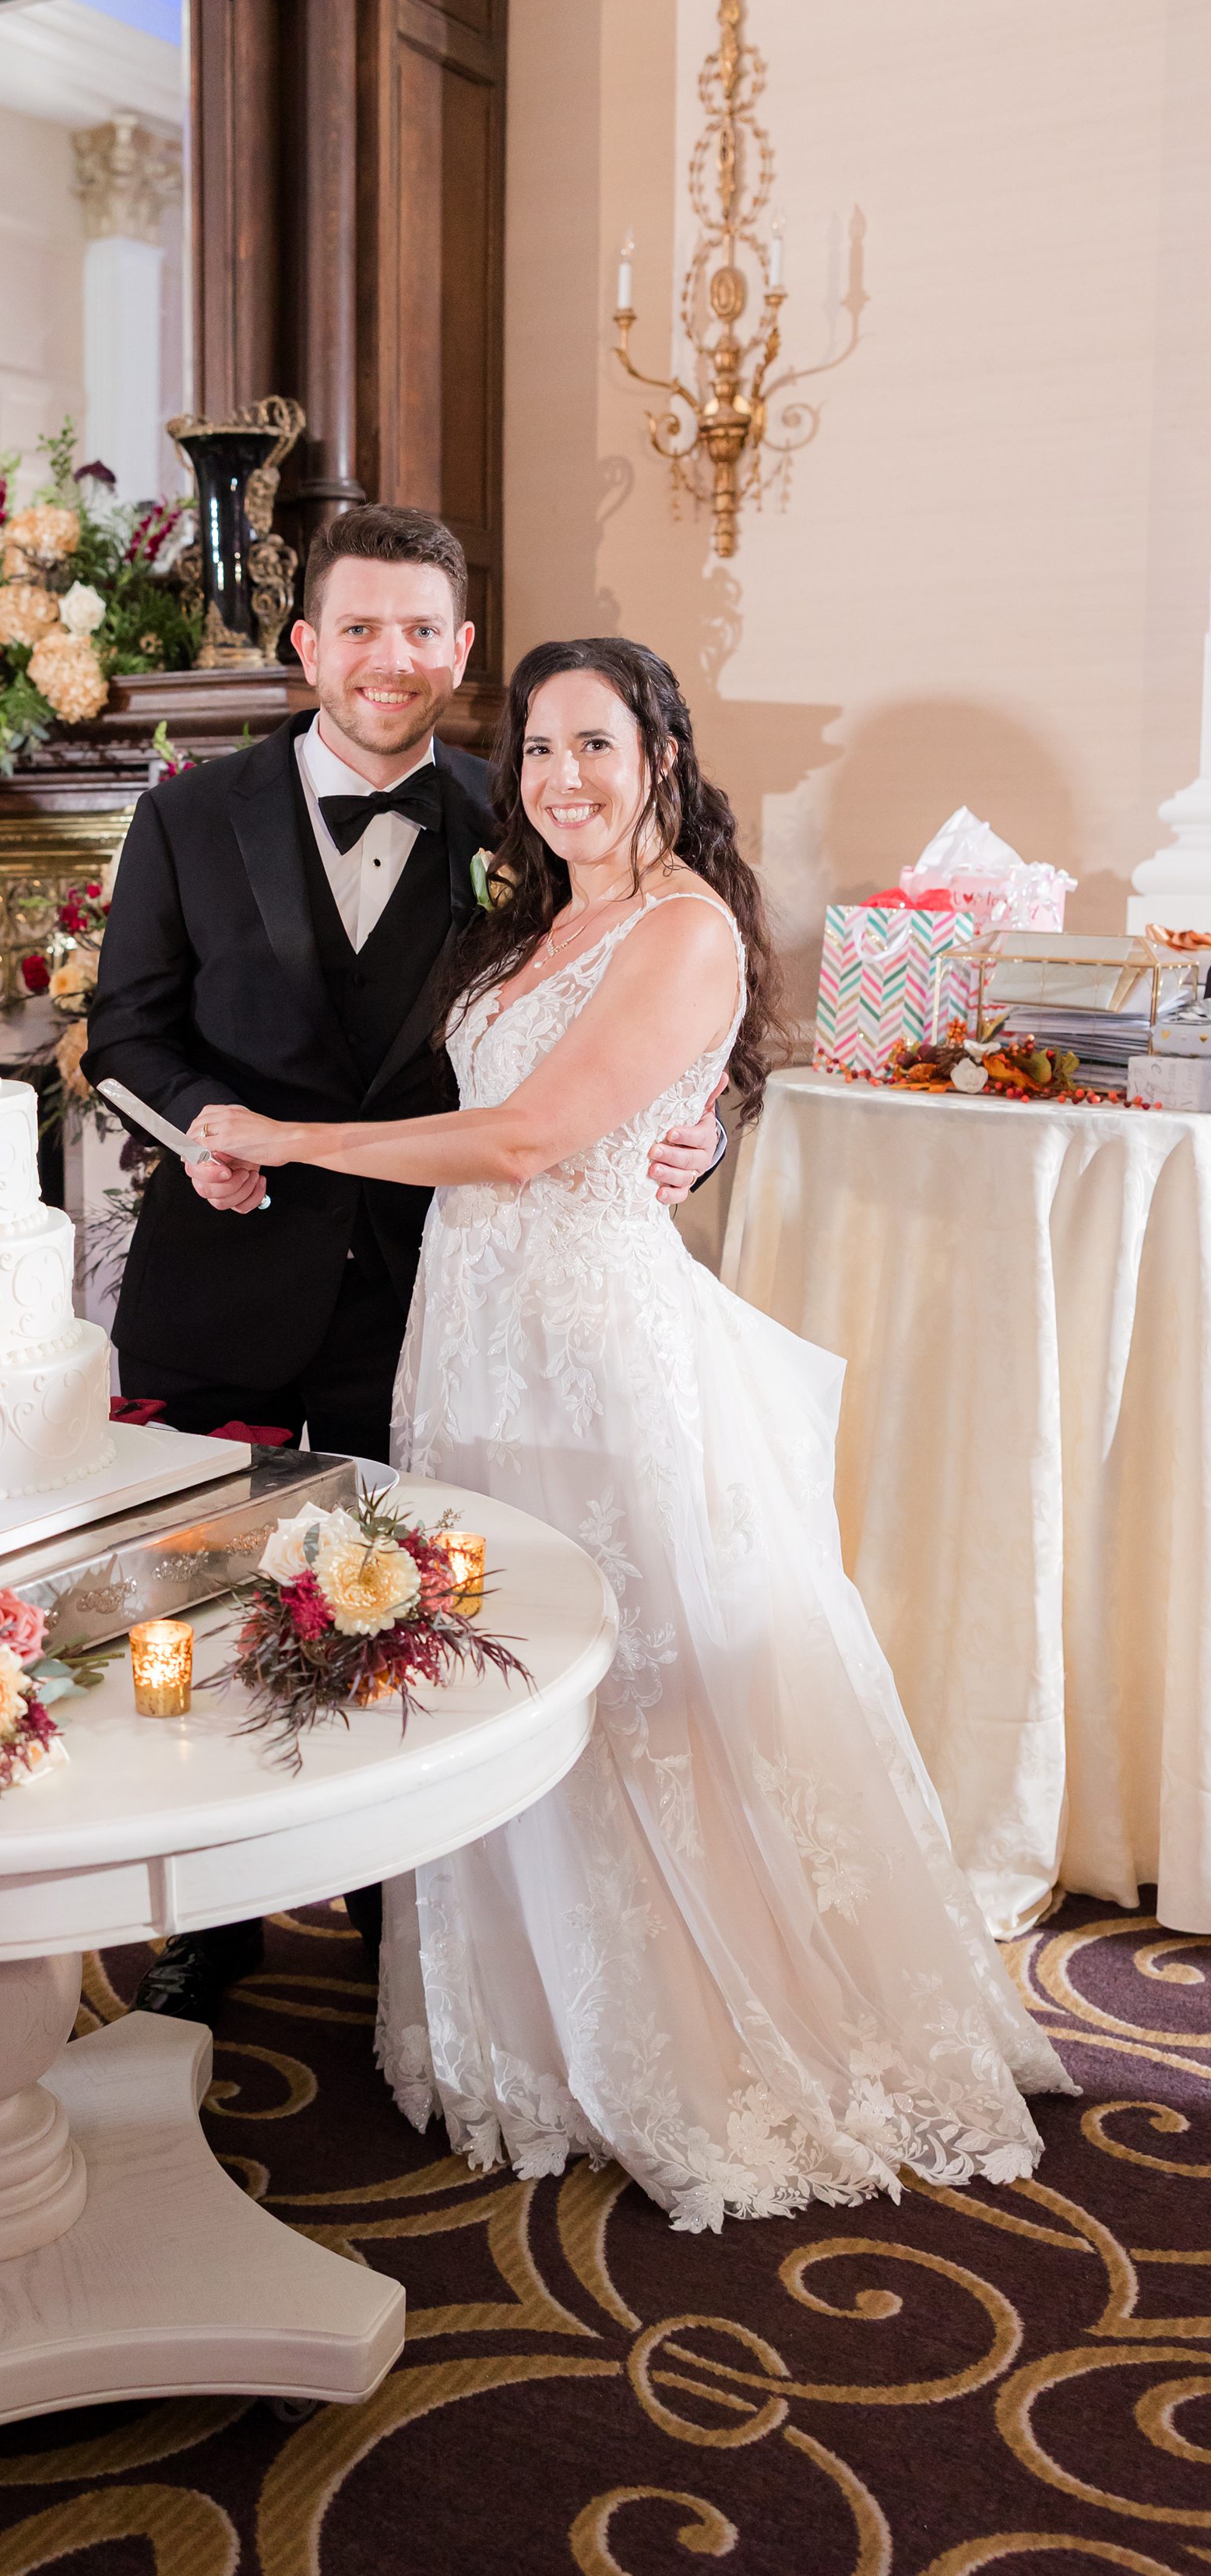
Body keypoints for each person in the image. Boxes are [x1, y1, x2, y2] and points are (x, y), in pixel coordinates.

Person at [192, 634, 1073, 2229]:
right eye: (536, 751)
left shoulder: (682, 926)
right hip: (469, 1342)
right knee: (499, 1671)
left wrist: (292, 1142)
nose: (561, 780)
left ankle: (687, 2025)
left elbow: (532, 1139)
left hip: (593, 1356)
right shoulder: (535, 919)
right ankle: (522, 2021)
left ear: (663, 750)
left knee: (640, 1678)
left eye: (595, 744)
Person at [85, 521, 723, 2025]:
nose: (394, 662)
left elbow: (633, 1003)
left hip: (436, 1296)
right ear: (305, 647)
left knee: (410, 1601)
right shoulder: (187, 814)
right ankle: (210, 1907)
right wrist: (196, 1136)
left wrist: (695, 1125)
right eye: (361, 629)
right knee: (212, 1596)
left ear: (458, 651)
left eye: (426, 633)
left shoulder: (532, 812)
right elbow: (129, 1030)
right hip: (224, 1271)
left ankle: (408, 1916)